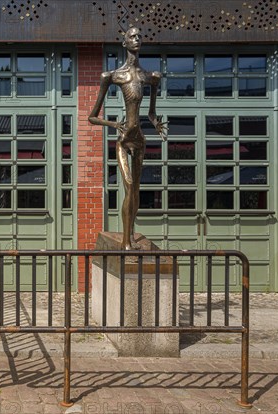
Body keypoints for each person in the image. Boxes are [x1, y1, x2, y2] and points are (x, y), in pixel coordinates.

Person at [89, 27, 167, 250]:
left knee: (137, 189)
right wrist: (113, 124)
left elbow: (151, 112)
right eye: (132, 37)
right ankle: (125, 242)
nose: (136, 39)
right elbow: (92, 117)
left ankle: (131, 234)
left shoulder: (149, 77)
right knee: (129, 186)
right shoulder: (112, 76)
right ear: (124, 43)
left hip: (139, 138)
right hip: (124, 139)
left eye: (139, 36)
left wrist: (155, 122)